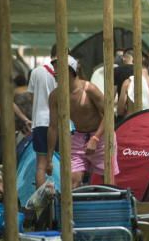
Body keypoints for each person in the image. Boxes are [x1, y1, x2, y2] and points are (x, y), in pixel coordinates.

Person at [47, 57, 117, 186]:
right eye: (54, 70)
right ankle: (77, 206)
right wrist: (49, 158)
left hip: (101, 137)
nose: (55, 73)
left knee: (107, 182)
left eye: (58, 70)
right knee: (73, 180)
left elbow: (109, 113)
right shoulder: (55, 96)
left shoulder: (89, 89)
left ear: (71, 71)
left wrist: (95, 138)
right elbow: (52, 127)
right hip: (78, 137)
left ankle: (108, 205)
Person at [28, 47, 58, 188]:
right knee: (63, 160)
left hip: (40, 121)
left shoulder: (36, 71)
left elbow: (31, 96)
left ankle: (41, 198)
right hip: (58, 122)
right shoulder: (65, 72)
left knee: (41, 164)